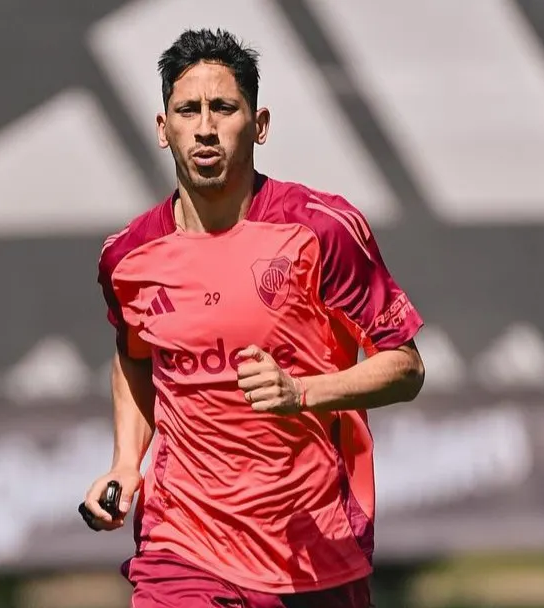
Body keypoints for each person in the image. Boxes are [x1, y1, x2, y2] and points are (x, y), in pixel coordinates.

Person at [84, 27, 425, 608]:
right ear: (163, 130)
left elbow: (406, 367)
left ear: (259, 125)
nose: (206, 126)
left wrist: (302, 392)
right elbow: (135, 358)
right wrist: (124, 462)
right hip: (182, 542)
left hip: (310, 548)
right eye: (188, 110)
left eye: (224, 107)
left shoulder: (322, 229)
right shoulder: (127, 257)